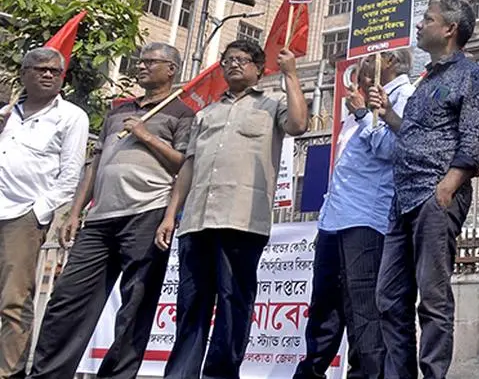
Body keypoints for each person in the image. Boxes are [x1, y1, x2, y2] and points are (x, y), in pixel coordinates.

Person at [30, 43, 193, 379]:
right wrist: (75, 212)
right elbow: (95, 163)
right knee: (67, 300)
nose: (142, 66)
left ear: (171, 70)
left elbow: (184, 164)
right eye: (141, 61)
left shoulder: (183, 113)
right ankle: (48, 373)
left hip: (148, 212)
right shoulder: (118, 109)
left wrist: (146, 135)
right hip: (100, 218)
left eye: (151, 62)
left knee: (135, 306)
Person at [155, 40, 308, 379]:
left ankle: (221, 374)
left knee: (232, 303)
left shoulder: (273, 104)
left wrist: (292, 76)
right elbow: (189, 167)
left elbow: (299, 125)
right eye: (229, 60)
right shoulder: (206, 113)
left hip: (242, 220)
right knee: (190, 306)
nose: (234, 65)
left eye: (242, 60)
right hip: (196, 221)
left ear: (258, 68)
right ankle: (180, 374)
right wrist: (171, 215)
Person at [375, 0, 479, 379]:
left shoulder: (469, 75)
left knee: (434, 297)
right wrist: (387, 113)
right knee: (389, 297)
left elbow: (476, 138)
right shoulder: (425, 81)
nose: (419, 25)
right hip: (402, 198)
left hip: (435, 196)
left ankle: (434, 374)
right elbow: (412, 134)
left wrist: (447, 187)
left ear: (449, 30)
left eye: (428, 18)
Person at [294, 51, 415, 379]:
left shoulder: (405, 96)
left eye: (370, 62)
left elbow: (393, 150)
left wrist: (365, 113)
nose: (361, 70)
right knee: (324, 307)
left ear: (389, 62)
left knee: (364, 311)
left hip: (366, 219)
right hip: (335, 217)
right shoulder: (358, 103)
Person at [0, 48, 89, 378]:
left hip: (22, 214)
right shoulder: (7, 114)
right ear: (24, 74)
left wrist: (38, 212)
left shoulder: (71, 117)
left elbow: (70, 174)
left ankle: (8, 371)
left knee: (13, 299)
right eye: (40, 69)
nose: (48, 74)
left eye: (55, 71)